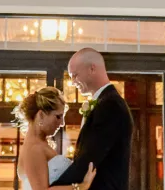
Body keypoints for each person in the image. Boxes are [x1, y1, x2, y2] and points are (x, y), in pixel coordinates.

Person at [53, 48, 133, 190]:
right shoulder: (106, 103)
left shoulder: (110, 105)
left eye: (75, 75)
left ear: (92, 69)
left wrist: (53, 188)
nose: (72, 82)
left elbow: (88, 159)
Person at [16, 86, 97, 190]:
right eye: (58, 117)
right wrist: (81, 186)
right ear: (41, 115)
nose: (62, 123)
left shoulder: (39, 144)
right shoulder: (34, 148)